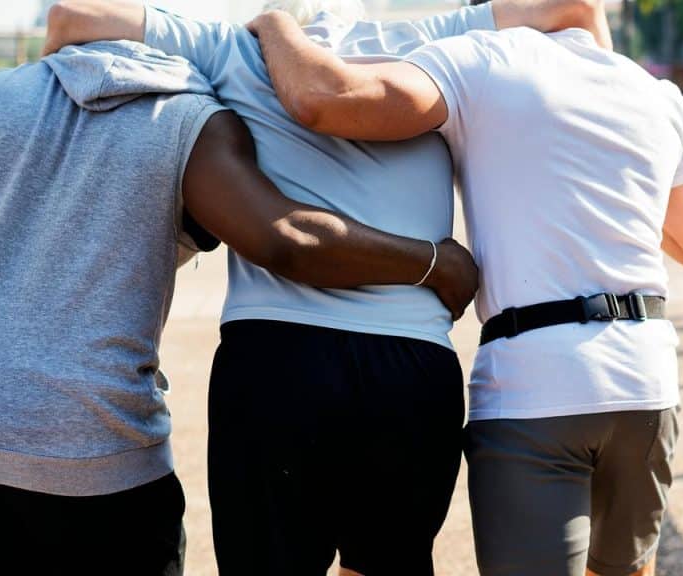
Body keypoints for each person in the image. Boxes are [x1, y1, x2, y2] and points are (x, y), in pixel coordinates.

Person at [43, 1, 608, 574]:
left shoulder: (226, 46)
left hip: (273, 361)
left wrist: (262, 29)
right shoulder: (433, 42)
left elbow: (72, 17)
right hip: (410, 365)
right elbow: (576, 9)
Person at [0, 40, 479, 575]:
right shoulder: (187, 115)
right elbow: (281, 238)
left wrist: (19, 213)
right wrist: (432, 261)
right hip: (88, 424)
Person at [248, 0, 683, 574]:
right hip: (647, 383)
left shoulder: (482, 59)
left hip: (535, 385)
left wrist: (275, 24)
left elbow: (323, 97)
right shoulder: (652, 93)